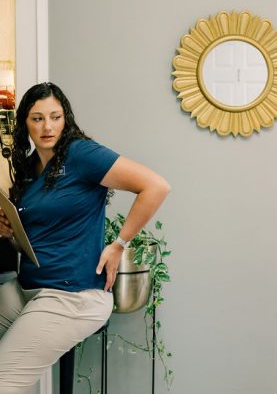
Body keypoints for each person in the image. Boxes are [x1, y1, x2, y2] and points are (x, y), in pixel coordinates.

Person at [0, 82, 171, 393]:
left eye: (55, 116)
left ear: (66, 119)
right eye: (37, 118)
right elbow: (44, 231)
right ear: (24, 122)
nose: (47, 126)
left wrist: (119, 244)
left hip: (71, 295)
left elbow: (156, 186)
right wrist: (9, 231)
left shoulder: (81, 154)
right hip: (30, 286)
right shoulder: (30, 167)